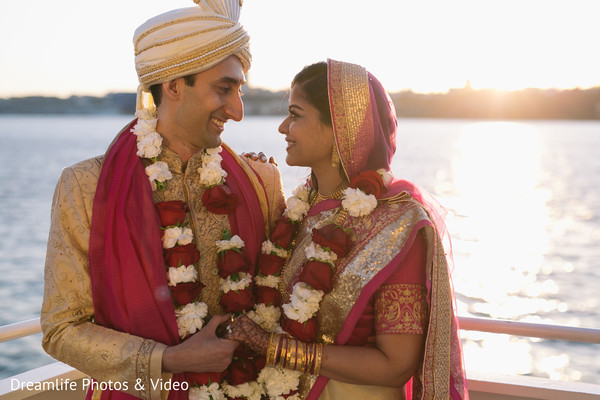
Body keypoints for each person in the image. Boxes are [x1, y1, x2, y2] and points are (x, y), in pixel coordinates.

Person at [40, 1, 285, 399]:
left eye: (239, 91)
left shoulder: (262, 182)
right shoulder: (86, 186)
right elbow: (61, 329)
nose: (238, 112)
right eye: (224, 89)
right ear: (172, 85)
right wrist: (170, 360)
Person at [224, 59, 469, 399]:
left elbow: (395, 365)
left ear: (340, 127)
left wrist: (274, 348)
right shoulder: (298, 211)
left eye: (295, 114)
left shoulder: (395, 225)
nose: (282, 127)